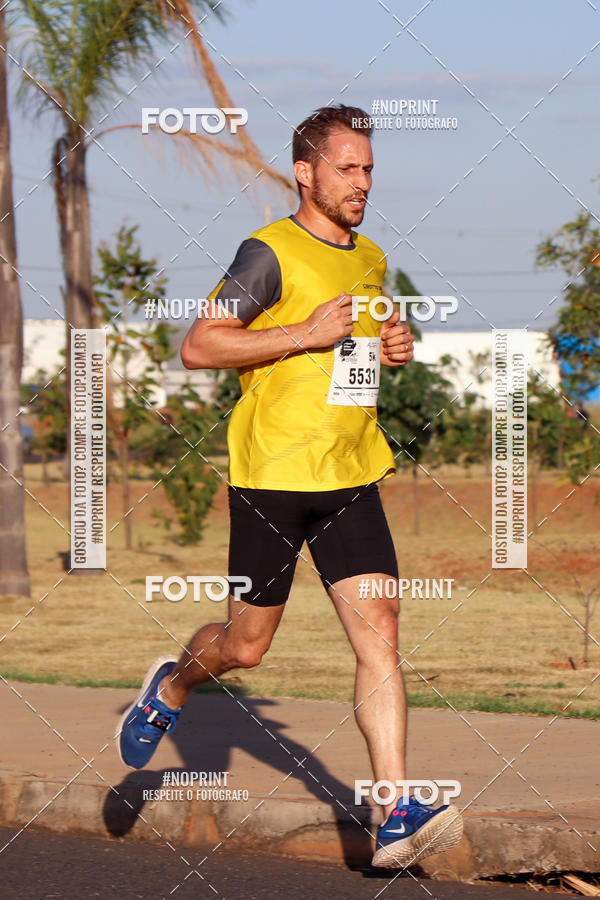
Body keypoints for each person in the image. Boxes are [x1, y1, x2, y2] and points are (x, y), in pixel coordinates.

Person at [118, 104, 463, 868]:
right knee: (246, 647)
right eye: (347, 167)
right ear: (305, 171)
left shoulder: (369, 257)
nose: (362, 182)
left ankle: (393, 808)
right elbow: (201, 345)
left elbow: (358, 349)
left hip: (349, 472)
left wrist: (391, 343)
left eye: (369, 169)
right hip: (273, 476)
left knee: (382, 631)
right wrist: (304, 332)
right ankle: (172, 686)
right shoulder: (267, 252)